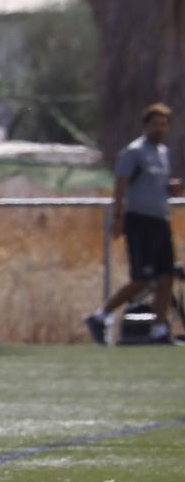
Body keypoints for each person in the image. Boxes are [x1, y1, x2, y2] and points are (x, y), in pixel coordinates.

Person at [84, 102, 182, 345]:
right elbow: (120, 187)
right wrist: (117, 219)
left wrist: (171, 188)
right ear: (146, 125)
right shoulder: (134, 152)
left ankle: (159, 330)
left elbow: (156, 187)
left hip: (161, 221)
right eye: (155, 124)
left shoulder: (162, 153)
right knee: (142, 279)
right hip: (139, 222)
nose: (160, 128)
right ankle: (100, 315)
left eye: (164, 124)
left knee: (166, 276)